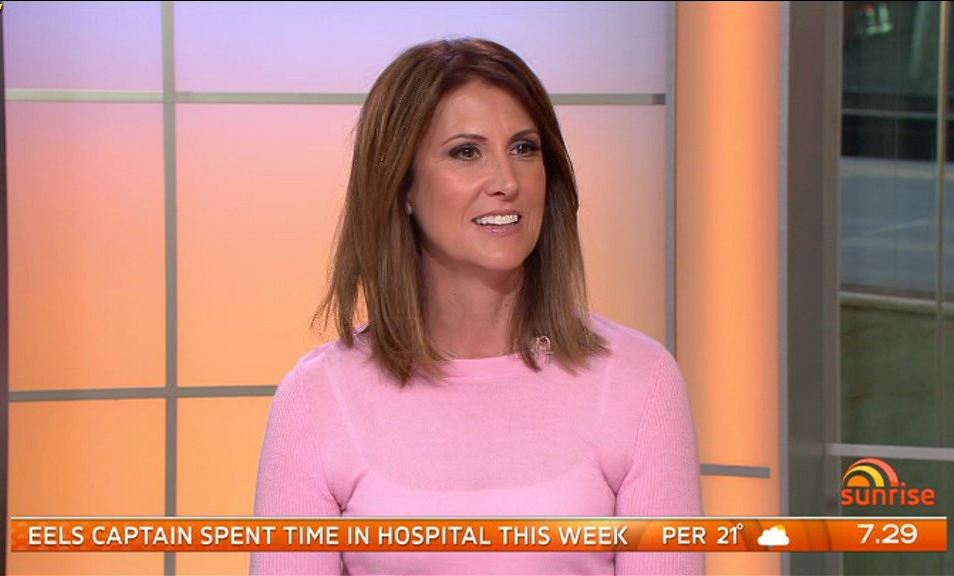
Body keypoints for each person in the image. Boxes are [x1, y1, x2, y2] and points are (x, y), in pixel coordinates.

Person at [251, 37, 704, 575]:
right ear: (403, 187)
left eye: (524, 148)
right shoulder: (318, 399)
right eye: (466, 152)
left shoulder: (641, 382)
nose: (507, 182)